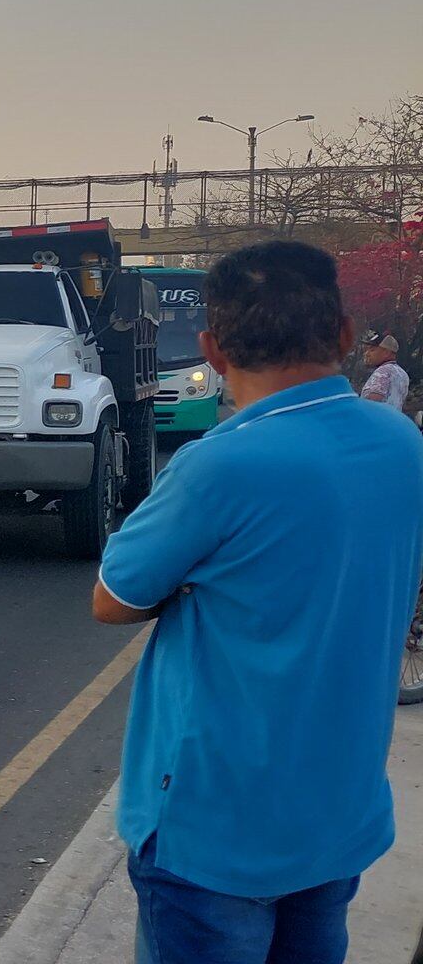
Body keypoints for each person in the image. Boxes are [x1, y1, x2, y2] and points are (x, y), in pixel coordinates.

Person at [92, 241, 423, 964]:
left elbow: (115, 598)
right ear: (344, 333)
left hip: (216, 829)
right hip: (339, 813)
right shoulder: (403, 444)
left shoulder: (217, 467)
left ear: (212, 349)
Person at [360, 329, 409, 411]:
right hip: (393, 418)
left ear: (386, 353)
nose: (367, 354)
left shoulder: (383, 372)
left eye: (372, 350)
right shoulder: (402, 374)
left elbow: (372, 402)